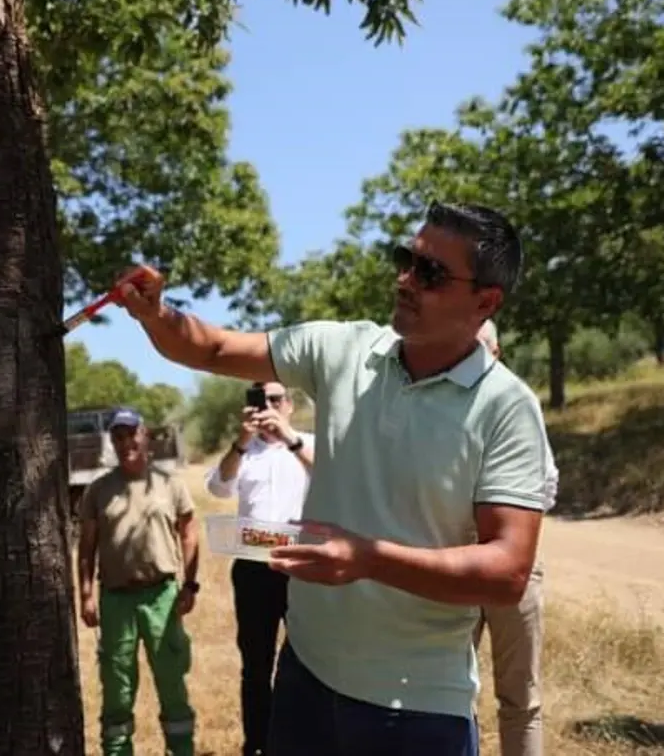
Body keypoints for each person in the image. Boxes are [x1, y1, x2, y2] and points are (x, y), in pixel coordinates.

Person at [117, 201, 550, 756]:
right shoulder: (344, 348)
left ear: (486, 301)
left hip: (415, 706)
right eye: (406, 260)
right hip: (305, 675)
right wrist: (156, 314)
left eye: (431, 273)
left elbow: (507, 571)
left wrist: (367, 557)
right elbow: (215, 346)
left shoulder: (507, 407)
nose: (406, 280)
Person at [78, 408, 199, 756]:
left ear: (144, 436)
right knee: (117, 687)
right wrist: (86, 595)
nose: (125, 442)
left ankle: (181, 750)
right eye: (118, 436)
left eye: (131, 434)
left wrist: (190, 585)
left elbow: (189, 533)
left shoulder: (169, 483)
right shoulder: (98, 490)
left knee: (172, 683)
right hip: (116, 600)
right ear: (112, 442)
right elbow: (86, 548)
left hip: (162, 595)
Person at [204, 380, 314, 756]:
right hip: (252, 568)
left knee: (308, 659)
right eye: (260, 400)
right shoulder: (245, 451)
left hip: (300, 566)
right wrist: (240, 440)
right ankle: (258, 743)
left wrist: (291, 441)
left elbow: (331, 476)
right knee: (255, 663)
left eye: (275, 399)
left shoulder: (308, 443)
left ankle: (303, 740)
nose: (268, 406)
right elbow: (219, 489)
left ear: (289, 405)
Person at [472, 318, 558, 756]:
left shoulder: (517, 400)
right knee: (447, 691)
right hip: (455, 566)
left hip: (514, 568)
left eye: (480, 346)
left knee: (521, 696)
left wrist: (508, 530)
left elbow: (547, 484)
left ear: (498, 350)